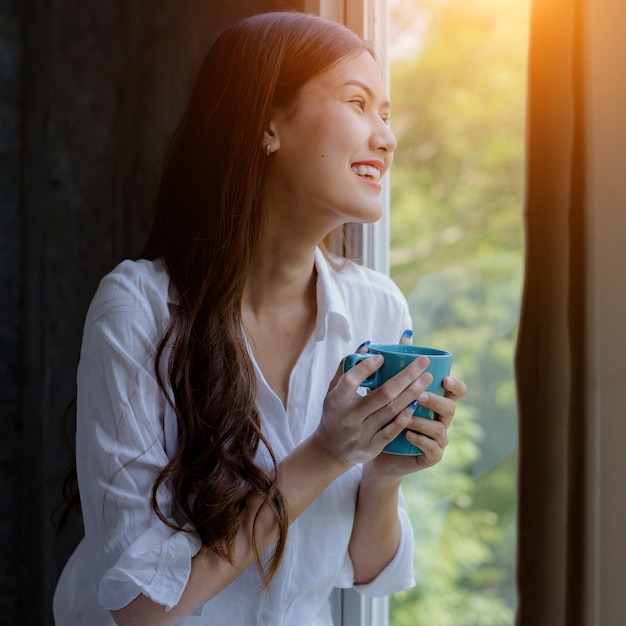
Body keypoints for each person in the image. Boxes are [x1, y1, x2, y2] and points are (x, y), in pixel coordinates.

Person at [53, 11, 466, 626]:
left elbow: (364, 569)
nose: (387, 138)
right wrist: (327, 453)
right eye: (358, 103)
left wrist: (383, 475)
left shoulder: (378, 309)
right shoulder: (138, 308)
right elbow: (141, 608)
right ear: (268, 124)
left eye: (386, 113)